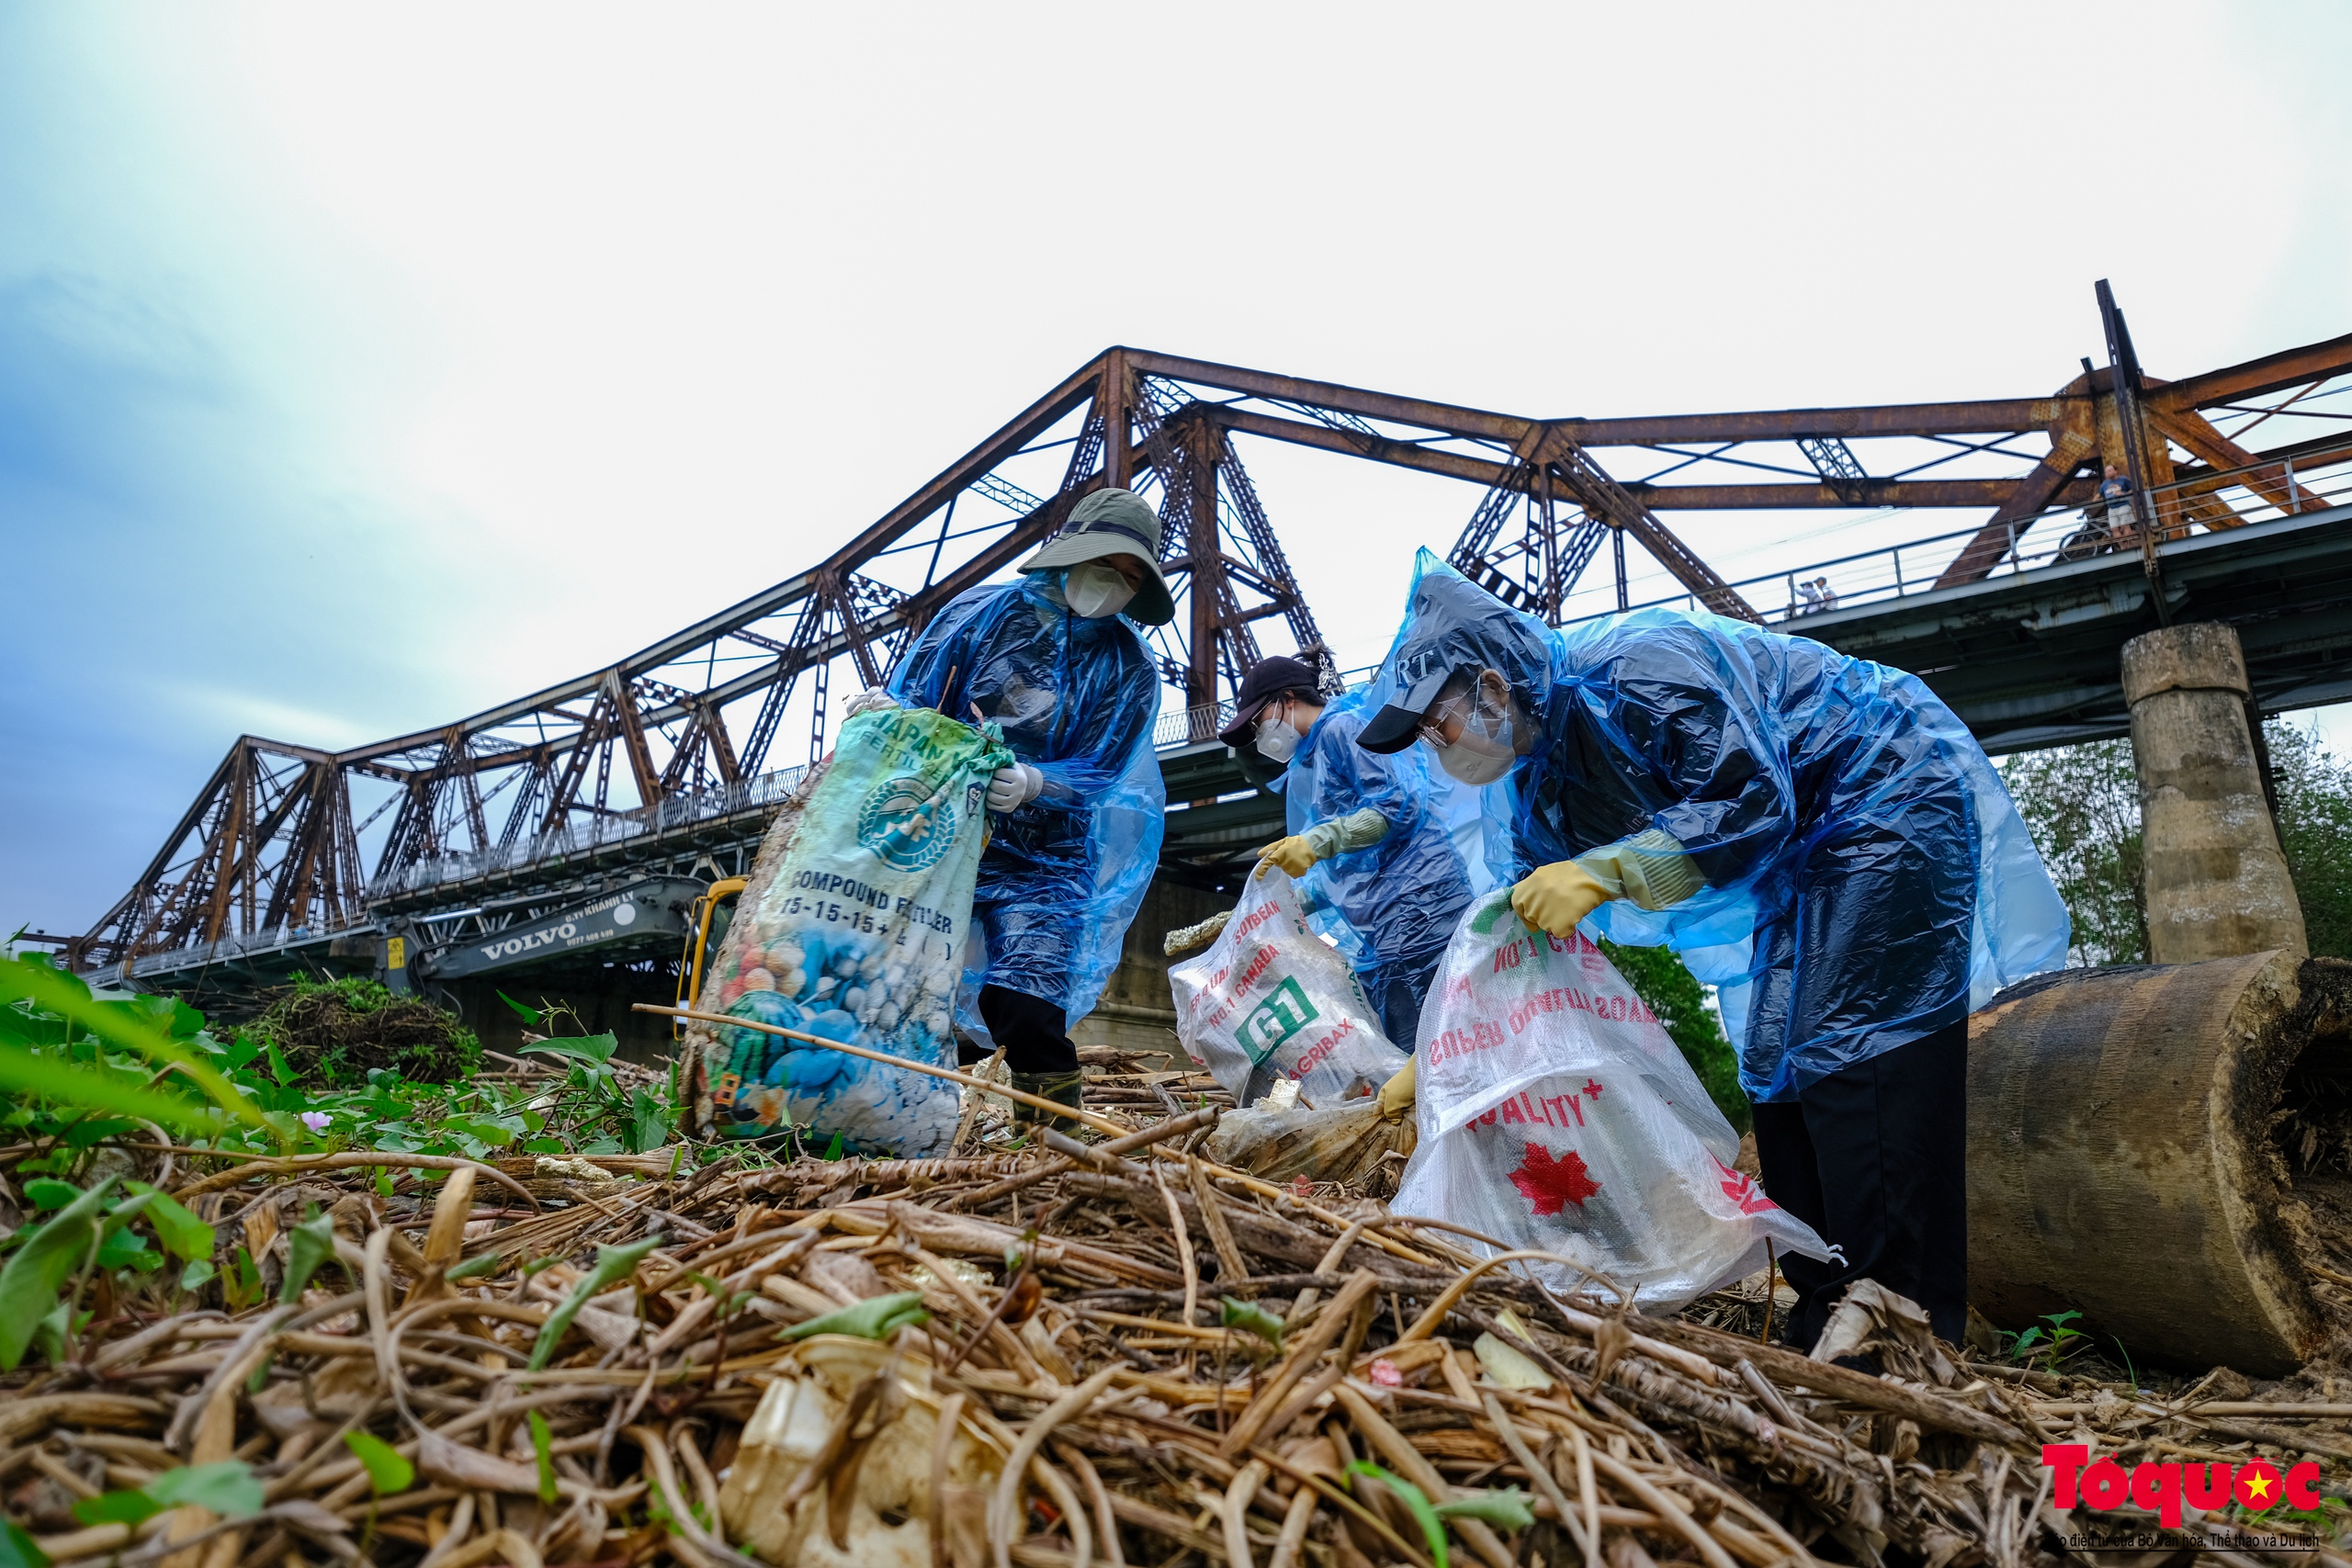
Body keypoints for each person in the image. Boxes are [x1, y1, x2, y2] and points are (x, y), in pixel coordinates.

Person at [1354, 551, 2068, 1350]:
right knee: (1776, 1062)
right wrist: (1441, 1054)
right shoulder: (1537, 783)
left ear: (1490, 683)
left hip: (1886, 792)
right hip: (1803, 854)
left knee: (1854, 1045)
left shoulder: (1636, 667)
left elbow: (1753, 797)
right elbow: (1512, 932)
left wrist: (1605, 868)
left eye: (1436, 721)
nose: (1437, 746)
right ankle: (1827, 1303)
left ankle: (1900, 1316)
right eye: (1424, 735)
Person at [888, 487, 1171, 1117]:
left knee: (1024, 1008)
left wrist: (1037, 784)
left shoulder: (1130, 669)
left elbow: (1103, 768)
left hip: (1047, 861)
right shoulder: (980, 616)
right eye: (1107, 566)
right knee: (906, 989)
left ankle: (1056, 1138)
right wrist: (884, 721)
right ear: (1073, 553)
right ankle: (906, 1121)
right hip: (944, 837)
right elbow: (916, 700)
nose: (1113, 587)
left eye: (1129, 579)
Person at [1222, 653, 1477, 1052]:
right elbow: (1349, 869)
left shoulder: (1343, 728)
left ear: (1287, 699)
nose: (1259, 735)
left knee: (1447, 1047)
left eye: (1258, 721)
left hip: (1422, 908)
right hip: (1385, 931)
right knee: (1414, 1052)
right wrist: (1285, 905)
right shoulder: (1315, 758)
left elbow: (1399, 804)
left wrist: (1315, 842)